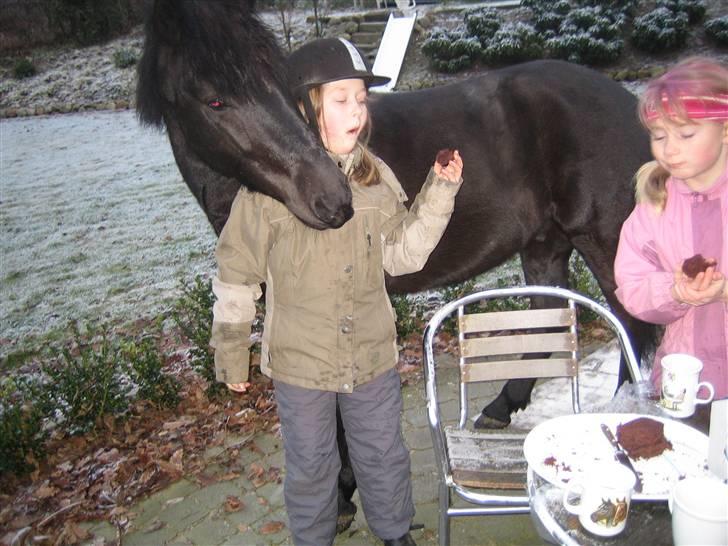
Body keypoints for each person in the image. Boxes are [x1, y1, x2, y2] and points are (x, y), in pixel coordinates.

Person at [209, 37, 463, 546]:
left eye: (361, 100)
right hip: (301, 366)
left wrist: (438, 194)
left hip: (370, 356)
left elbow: (401, 255)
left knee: (383, 452)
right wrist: (231, 351)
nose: (357, 111)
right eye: (341, 99)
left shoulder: (374, 178)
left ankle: (394, 535)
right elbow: (237, 272)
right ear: (305, 107)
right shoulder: (266, 192)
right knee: (311, 465)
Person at [614, 56, 728, 400]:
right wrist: (674, 291)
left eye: (686, 133)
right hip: (686, 376)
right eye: (659, 136)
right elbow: (632, 286)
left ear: (724, 128)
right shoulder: (654, 206)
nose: (670, 149)